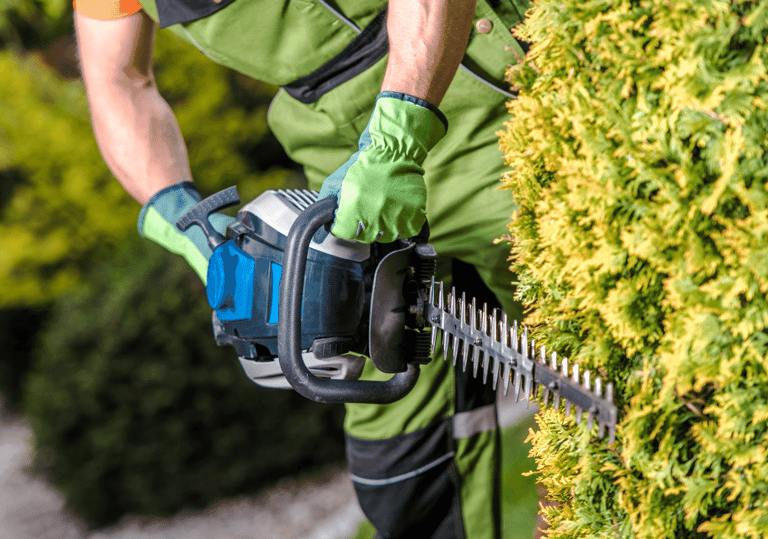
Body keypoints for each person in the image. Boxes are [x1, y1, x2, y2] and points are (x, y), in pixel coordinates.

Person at [73, 0, 532, 537]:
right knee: (402, 474)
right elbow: (117, 81)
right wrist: (186, 222)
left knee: (601, 344)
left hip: (469, 87)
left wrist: (396, 138)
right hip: (332, 147)